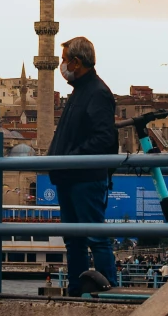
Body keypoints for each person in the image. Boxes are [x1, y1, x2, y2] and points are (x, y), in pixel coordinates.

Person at [48, 36, 119, 297]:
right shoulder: (81, 91)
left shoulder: (97, 93)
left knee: (94, 236)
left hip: (85, 177)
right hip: (69, 177)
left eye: (65, 60)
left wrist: (73, 157)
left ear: (77, 63)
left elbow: (104, 137)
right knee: (74, 238)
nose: (62, 65)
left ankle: (107, 288)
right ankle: (77, 289)